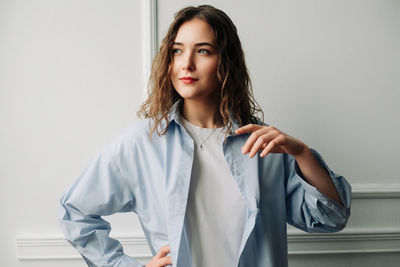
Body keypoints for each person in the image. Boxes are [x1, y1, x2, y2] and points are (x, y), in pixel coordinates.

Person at [59, 5, 351, 267]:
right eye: (177, 50)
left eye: (203, 51)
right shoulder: (142, 143)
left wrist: (301, 153)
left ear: (226, 62)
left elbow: (331, 217)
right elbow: (76, 213)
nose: (186, 63)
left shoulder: (263, 145)